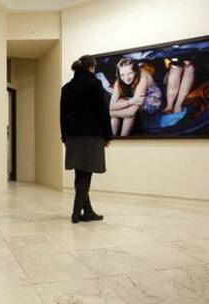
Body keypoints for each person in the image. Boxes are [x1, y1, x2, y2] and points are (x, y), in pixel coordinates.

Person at [60, 55, 113, 224]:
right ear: (91, 67)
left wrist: (64, 135)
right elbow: (102, 112)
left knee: (80, 172)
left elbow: (62, 115)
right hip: (91, 134)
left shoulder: (66, 88)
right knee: (86, 173)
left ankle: (88, 211)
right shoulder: (95, 84)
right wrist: (108, 134)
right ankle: (76, 213)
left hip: (73, 135)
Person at [109, 57, 162, 137]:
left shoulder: (142, 79)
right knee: (120, 101)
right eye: (122, 75)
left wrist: (107, 113)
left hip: (150, 102)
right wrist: (131, 101)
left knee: (125, 108)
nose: (126, 78)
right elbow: (111, 106)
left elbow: (131, 112)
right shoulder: (119, 79)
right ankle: (112, 138)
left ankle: (123, 138)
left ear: (136, 71)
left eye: (130, 73)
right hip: (133, 98)